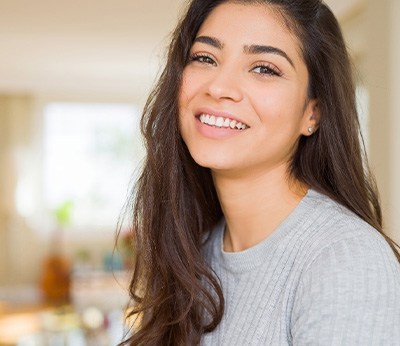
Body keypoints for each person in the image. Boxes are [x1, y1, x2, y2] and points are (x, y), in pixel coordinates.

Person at [120, 0, 400, 345]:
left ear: (312, 113)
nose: (219, 87)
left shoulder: (345, 260)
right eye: (205, 58)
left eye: (264, 68)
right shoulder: (190, 254)